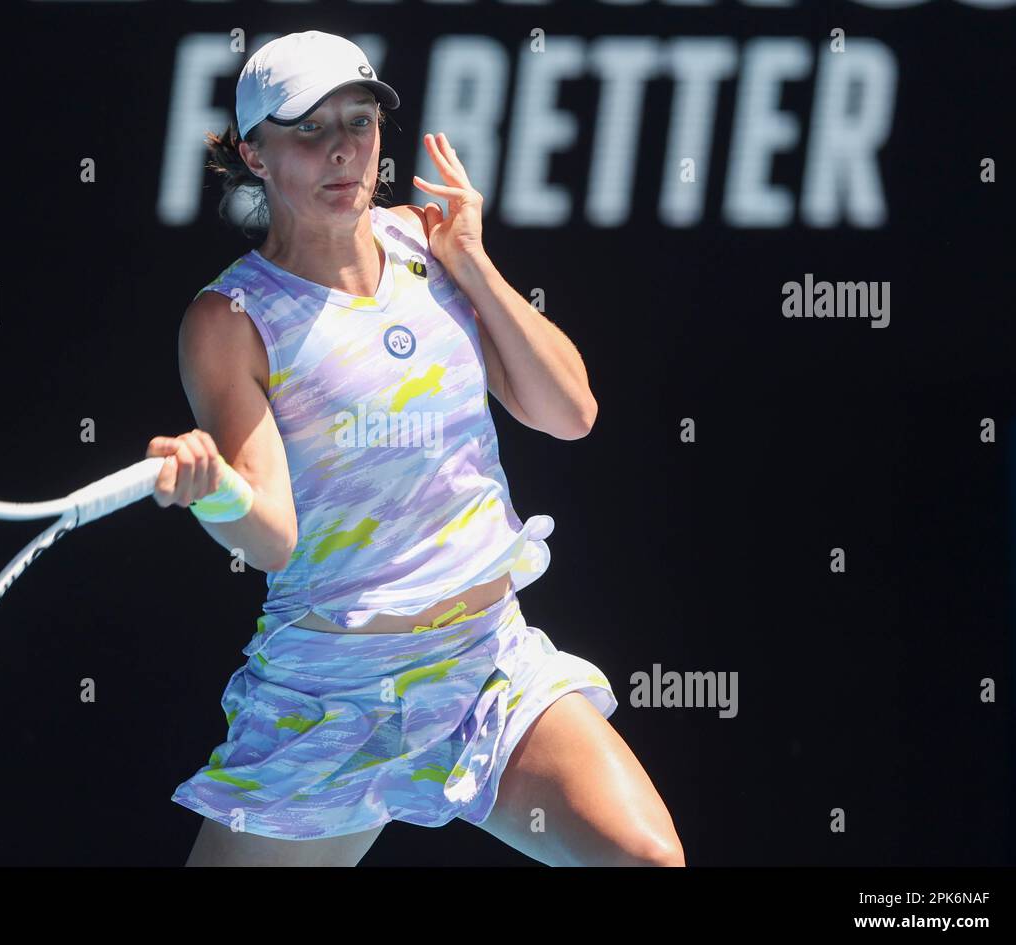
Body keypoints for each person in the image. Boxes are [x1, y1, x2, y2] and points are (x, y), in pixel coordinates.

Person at [150, 30, 684, 867]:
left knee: (646, 861)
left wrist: (471, 260)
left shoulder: (426, 246)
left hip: (485, 666)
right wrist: (215, 488)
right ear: (254, 156)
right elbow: (273, 536)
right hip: (332, 694)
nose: (341, 152)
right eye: (307, 129)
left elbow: (570, 411)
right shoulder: (230, 321)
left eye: (357, 123)